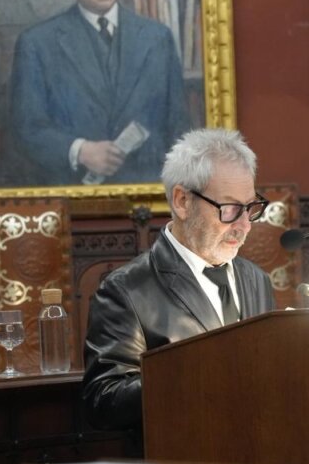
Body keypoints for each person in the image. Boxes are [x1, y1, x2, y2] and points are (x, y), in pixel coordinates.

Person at [82, 128, 275, 430]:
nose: (244, 225)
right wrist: (193, 371)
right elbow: (104, 401)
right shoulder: (126, 290)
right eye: (229, 209)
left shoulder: (256, 280)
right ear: (183, 201)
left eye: (250, 208)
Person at [9, 0, 193, 186]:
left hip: (149, 188)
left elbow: (179, 125)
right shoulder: (37, 43)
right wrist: (80, 150)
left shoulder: (157, 37)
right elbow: (24, 130)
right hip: (75, 192)